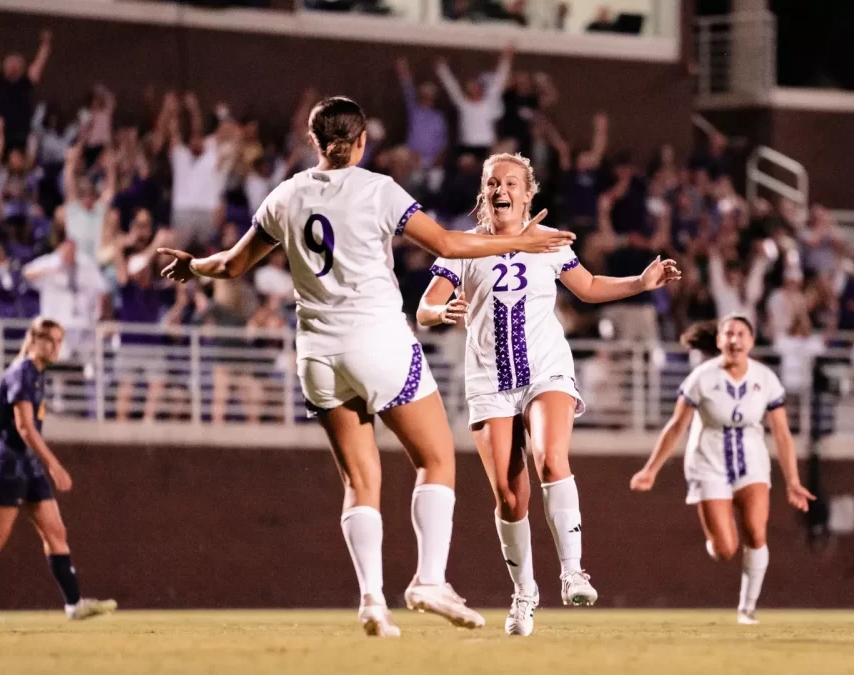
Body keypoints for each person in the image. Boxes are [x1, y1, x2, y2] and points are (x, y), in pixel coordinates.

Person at [157, 96, 575, 637]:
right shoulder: (378, 189)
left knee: (360, 480)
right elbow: (445, 243)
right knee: (436, 460)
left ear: (314, 141)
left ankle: (373, 601)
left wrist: (193, 265)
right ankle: (428, 579)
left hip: (317, 355)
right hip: (376, 341)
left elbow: (233, 263)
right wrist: (523, 240)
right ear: (361, 142)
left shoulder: (286, 195)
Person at [417, 152, 680, 636]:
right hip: (489, 379)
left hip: (545, 370)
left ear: (527, 192)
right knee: (509, 498)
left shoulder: (550, 243)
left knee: (551, 458)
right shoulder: (464, 246)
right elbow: (425, 307)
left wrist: (641, 282)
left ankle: (573, 570)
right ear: (484, 192)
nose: (501, 189)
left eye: (511, 182)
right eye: (493, 182)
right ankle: (524, 593)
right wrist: (441, 314)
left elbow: (590, 286)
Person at [629, 314, 814, 625]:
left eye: (741, 334)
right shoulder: (702, 377)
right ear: (718, 341)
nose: (734, 340)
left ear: (752, 342)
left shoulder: (765, 378)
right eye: (728, 334)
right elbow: (677, 425)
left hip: (751, 463)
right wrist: (651, 469)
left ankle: (747, 609)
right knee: (726, 548)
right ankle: (716, 538)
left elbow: (781, 433)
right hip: (708, 464)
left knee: (756, 533)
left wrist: (793, 481)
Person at [0, 317, 116, 622]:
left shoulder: (38, 375)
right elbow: (25, 427)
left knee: (56, 531)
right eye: (49, 340)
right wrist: (55, 465)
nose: (55, 347)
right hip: (8, 463)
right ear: (34, 340)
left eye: (59, 340)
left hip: (27, 464)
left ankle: (74, 604)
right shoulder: (22, 373)